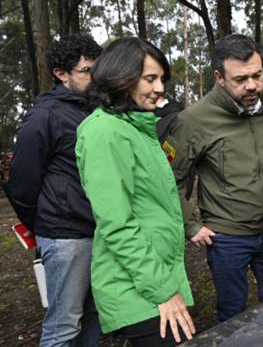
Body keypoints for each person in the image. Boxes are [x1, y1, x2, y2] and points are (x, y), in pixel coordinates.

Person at [75, 37, 194, 346]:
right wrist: (163, 291)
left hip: (154, 278)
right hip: (138, 290)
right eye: (150, 79)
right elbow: (117, 224)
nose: (160, 88)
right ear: (121, 77)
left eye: (162, 79)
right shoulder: (104, 131)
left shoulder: (133, 127)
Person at [167, 34, 263, 323]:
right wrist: (191, 224)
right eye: (241, 79)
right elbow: (167, 178)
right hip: (226, 237)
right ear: (220, 77)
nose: (252, 85)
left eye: (258, 75)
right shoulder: (193, 120)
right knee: (233, 312)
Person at [3, 35, 102, 347]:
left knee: (93, 316)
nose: (95, 78)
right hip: (65, 236)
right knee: (63, 325)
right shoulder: (44, 115)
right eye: (87, 71)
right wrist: (45, 224)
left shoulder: (92, 110)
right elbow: (20, 184)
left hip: (97, 232)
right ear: (62, 74)